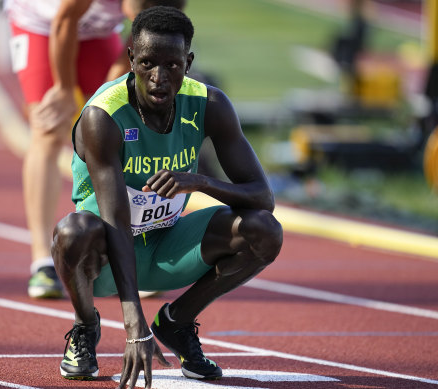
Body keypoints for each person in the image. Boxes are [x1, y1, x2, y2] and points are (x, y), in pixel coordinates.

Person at [52, 6, 283, 387]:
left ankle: (176, 323)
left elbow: (262, 196)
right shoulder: (103, 116)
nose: (159, 78)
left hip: (167, 244)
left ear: (188, 63)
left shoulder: (210, 105)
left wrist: (201, 182)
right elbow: (114, 221)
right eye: (147, 63)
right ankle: (85, 327)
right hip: (104, 256)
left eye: (172, 66)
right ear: (130, 59)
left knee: (264, 230)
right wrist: (134, 328)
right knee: (72, 232)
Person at [4, 0, 185, 299]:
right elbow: (64, 19)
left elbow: (141, 42)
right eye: (140, 11)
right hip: (41, 24)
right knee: (49, 130)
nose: (142, 18)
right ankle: (42, 262)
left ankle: (124, 257)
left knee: (118, 127)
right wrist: (63, 89)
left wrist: (106, 95)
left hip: (98, 30)